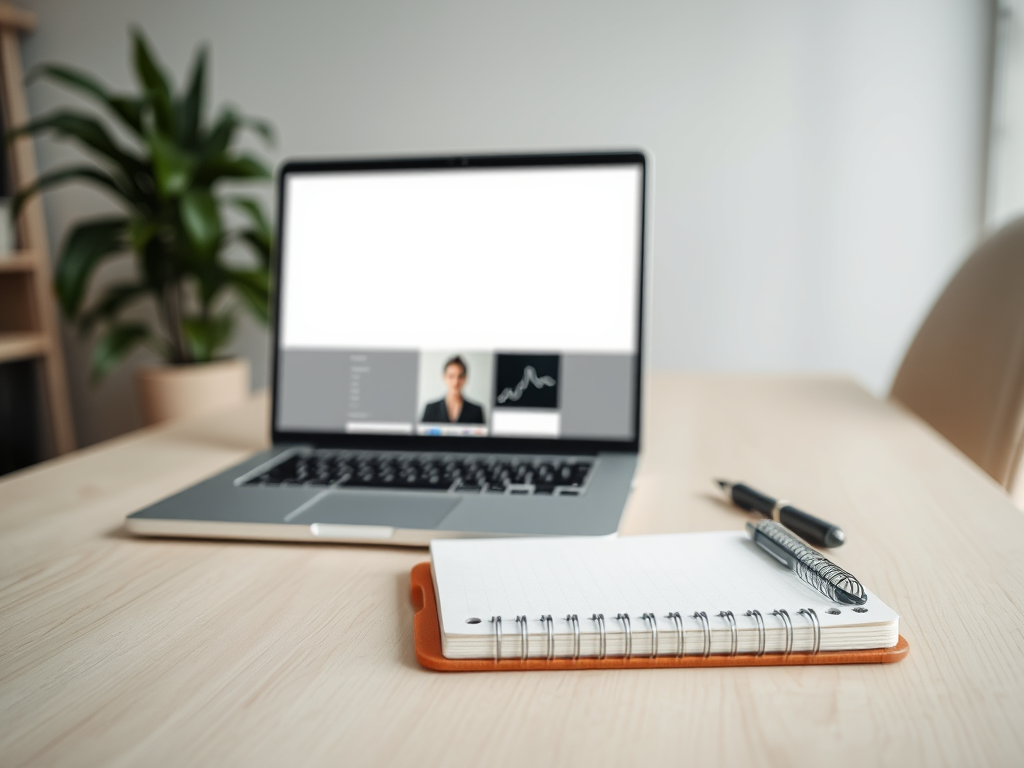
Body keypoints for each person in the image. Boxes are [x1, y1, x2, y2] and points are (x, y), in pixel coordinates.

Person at [421, 356, 485, 424]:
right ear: (444, 377)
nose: (456, 382)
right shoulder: (430, 409)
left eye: (460, 377)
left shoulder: (476, 411)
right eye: (451, 376)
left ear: (465, 378)